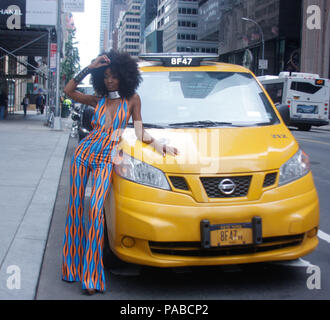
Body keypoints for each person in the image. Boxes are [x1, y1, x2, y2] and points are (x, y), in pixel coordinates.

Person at [61, 50, 178, 295]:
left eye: (113, 76)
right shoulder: (98, 98)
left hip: (107, 158)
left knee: (94, 210)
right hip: (84, 153)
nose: (110, 80)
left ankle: (91, 277)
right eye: (105, 76)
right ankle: (71, 267)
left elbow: (139, 133)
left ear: (125, 76)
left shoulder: (133, 99)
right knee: (75, 208)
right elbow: (68, 91)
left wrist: (161, 146)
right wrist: (89, 67)